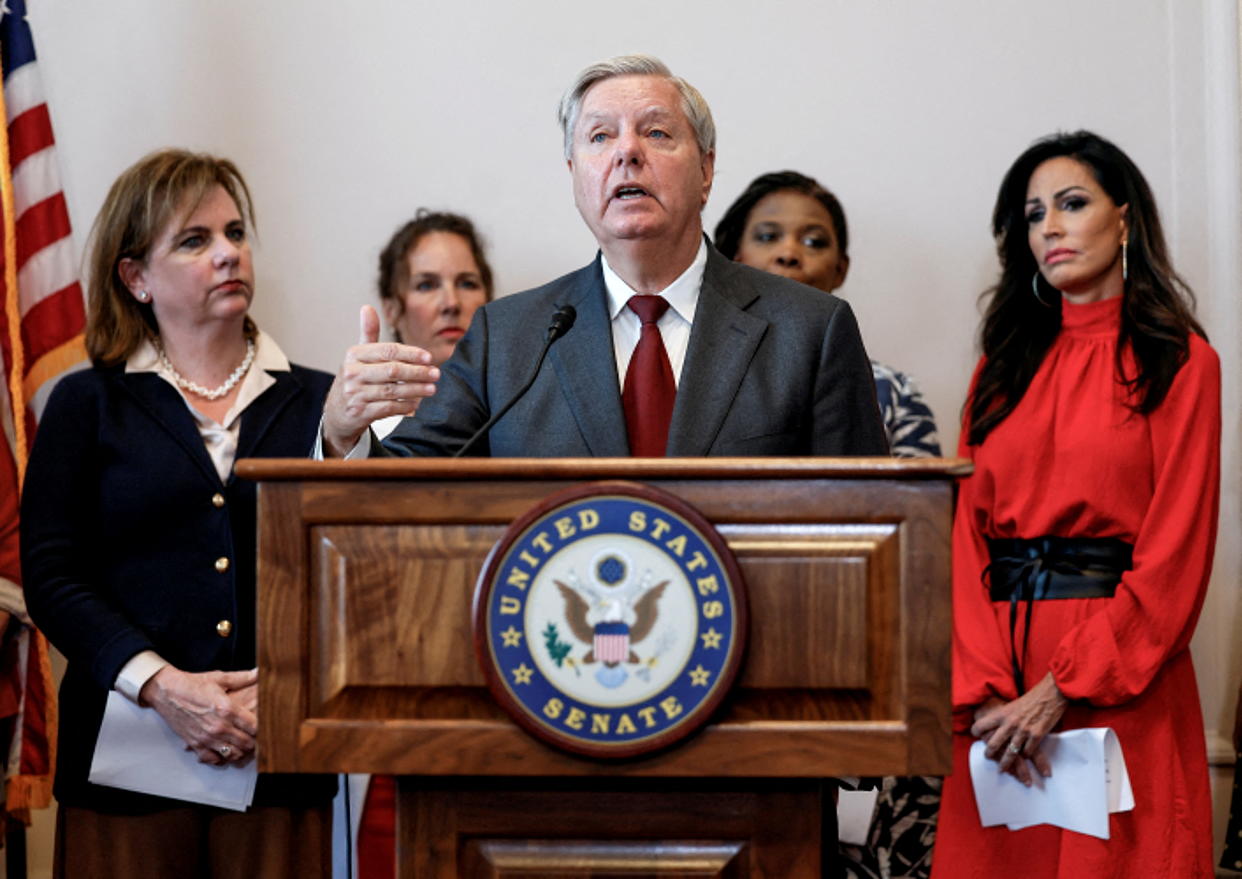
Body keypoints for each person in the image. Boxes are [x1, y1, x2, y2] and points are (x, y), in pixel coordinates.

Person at [318, 54, 887, 462]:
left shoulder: (809, 332)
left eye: (657, 133)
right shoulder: (507, 339)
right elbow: (403, 489)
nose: (627, 153)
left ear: (707, 170)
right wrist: (343, 433)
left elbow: (867, 521)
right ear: (575, 176)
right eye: (599, 137)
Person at [20, 149, 336, 878]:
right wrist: (162, 685)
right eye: (194, 240)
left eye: (234, 232)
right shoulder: (86, 402)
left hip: (279, 761)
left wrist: (283, 684)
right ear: (135, 277)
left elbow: (354, 574)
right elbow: (53, 575)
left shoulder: (323, 405)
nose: (227, 252)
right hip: (124, 771)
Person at [931, 131, 1220, 878]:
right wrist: (988, 688)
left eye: (1071, 203)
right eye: (1033, 214)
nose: (1050, 228)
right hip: (998, 696)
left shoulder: (1180, 360)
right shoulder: (1001, 367)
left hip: (1118, 681)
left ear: (1124, 219)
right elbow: (961, 533)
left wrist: (1059, 689)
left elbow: (1176, 555)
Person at [714, 170, 941, 877]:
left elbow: (916, 555)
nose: (790, 254)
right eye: (769, 236)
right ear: (728, 256)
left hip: (849, 678)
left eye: (814, 241)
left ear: (839, 270)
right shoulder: (691, 386)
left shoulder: (891, 394)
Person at [348, 210, 494, 879]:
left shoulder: (527, 400)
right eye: (428, 283)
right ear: (392, 307)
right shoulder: (354, 417)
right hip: (391, 690)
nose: (451, 300)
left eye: (467, 282)